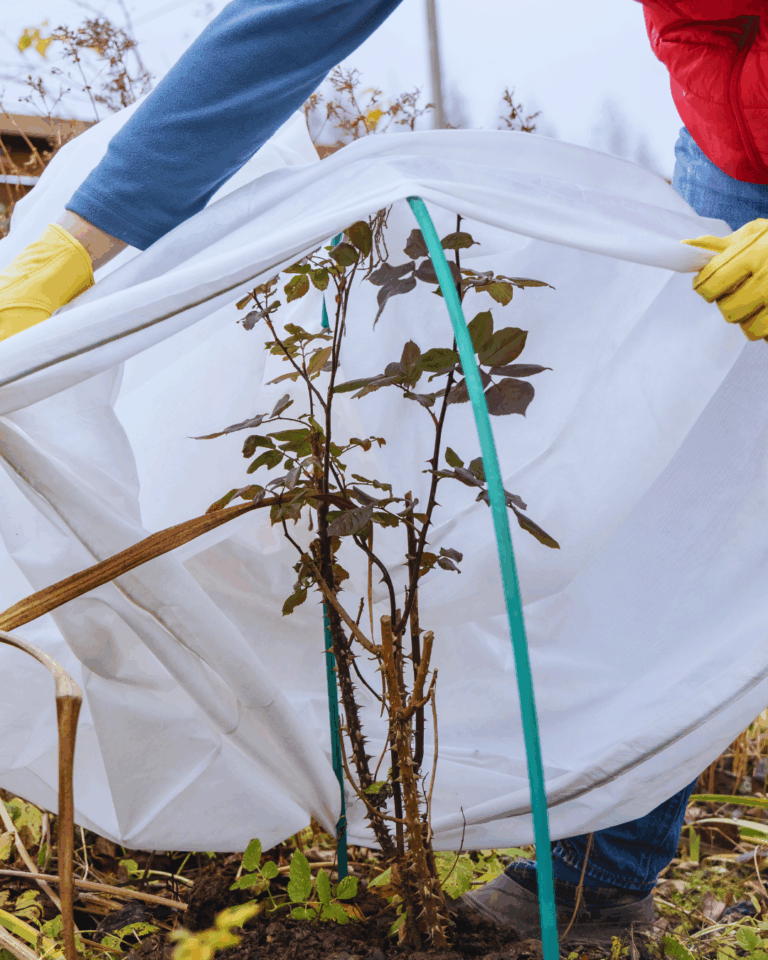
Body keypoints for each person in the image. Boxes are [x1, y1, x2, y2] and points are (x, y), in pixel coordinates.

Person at [1, 0, 766, 943]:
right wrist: (78, 243)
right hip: (736, 147)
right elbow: (298, 15)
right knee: (671, 486)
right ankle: (596, 881)